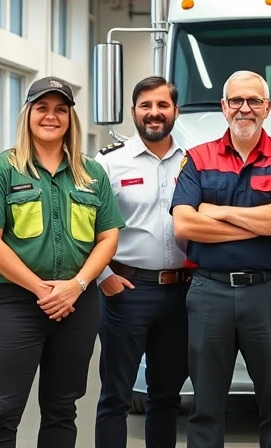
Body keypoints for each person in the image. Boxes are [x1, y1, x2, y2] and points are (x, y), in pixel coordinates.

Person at [0, 76, 124, 448]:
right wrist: (41, 289)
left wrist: (77, 286)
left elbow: (108, 237)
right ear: (28, 114)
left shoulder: (91, 173)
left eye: (60, 109)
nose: (51, 116)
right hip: (18, 303)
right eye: (42, 108)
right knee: (2, 409)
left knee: (62, 407)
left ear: (70, 117)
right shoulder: (3, 169)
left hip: (78, 304)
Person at [171, 70, 271, 448]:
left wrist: (215, 212)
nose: (244, 109)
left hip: (267, 293)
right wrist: (261, 224)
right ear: (224, 107)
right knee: (206, 405)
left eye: (253, 101)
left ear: (267, 107)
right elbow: (184, 224)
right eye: (236, 101)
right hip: (208, 292)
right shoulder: (197, 159)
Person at [94, 76, 189, 448]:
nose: (154, 113)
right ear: (133, 111)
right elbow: (86, 226)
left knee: (166, 397)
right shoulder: (108, 164)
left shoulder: (193, 159)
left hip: (180, 294)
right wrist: (103, 276)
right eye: (146, 105)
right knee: (115, 397)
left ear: (175, 111)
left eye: (162, 105)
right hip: (126, 292)